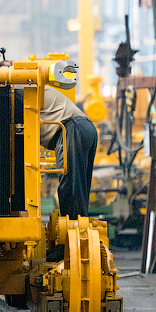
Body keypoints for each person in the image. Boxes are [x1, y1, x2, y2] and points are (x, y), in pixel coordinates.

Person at [40, 86, 97, 220]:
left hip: (72, 128)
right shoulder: (28, 85)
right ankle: (76, 225)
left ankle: (73, 230)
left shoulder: (16, 89)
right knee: (78, 188)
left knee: (70, 187)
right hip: (83, 127)